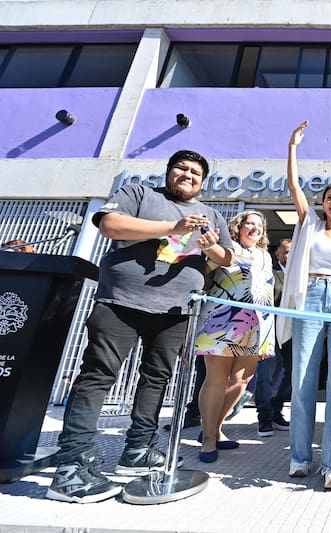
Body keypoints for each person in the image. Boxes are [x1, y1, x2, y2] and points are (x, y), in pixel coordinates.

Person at [46, 150, 234, 503]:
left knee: (156, 378)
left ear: (203, 181)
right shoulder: (139, 194)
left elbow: (227, 258)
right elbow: (109, 225)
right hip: (121, 301)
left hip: (177, 310)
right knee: (98, 375)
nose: (187, 175)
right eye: (181, 168)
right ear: (169, 172)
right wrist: (172, 229)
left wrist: (210, 249)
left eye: (195, 172)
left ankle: (138, 449)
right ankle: (71, 466)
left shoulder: (212, 215)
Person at [277, 121, 331, 490]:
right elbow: (295, 186)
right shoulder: (309, 223)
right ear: (323, 204)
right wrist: (292, 145)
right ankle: (300, 457)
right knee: (302, 380)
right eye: (330, 198)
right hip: (310, 295)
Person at [193, 210, 276, 463]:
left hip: (257, 324)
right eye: (249, 224)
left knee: (242, 380)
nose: (254, 228)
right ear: (238, 227)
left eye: (259, 225)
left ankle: (214, 428)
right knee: (216, 379)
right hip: (222, 320)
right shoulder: (226, 248)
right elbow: (203, 272)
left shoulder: (265, 256)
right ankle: (208, 439)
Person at [255, 238, 293, 436]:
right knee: (267, 373)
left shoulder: (299, 274)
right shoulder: (270, 273)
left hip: (292, 330)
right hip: (271, 328)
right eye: (285, 251)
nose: (289, 255)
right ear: (277, 254)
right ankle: (264, 415)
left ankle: (277, 408)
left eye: (292, 251)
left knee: (292, 373)